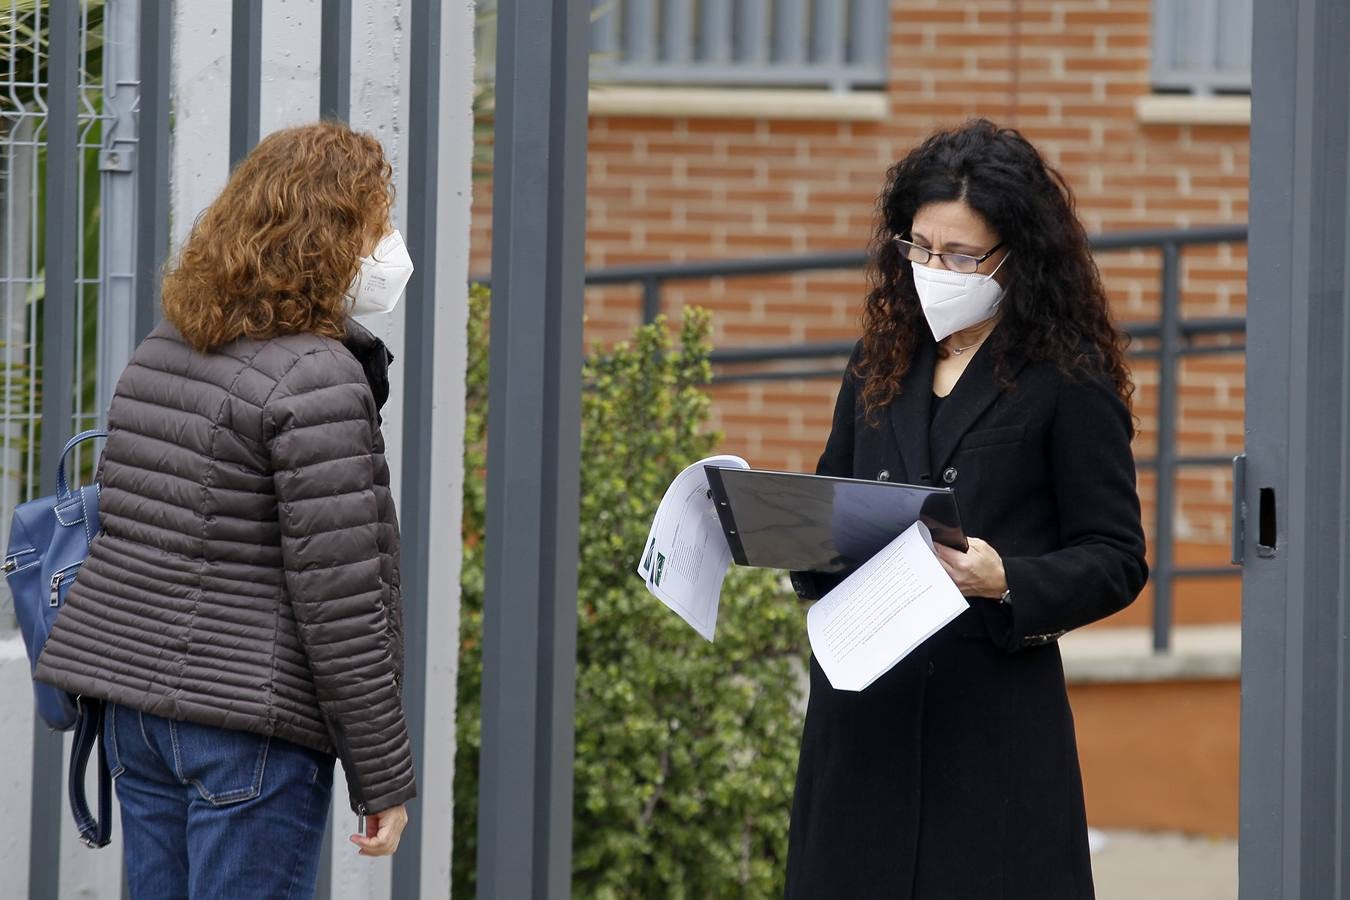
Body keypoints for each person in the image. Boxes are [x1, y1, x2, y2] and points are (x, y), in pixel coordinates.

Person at [36, 121, 416, 898]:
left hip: (138, 715)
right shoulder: (315, 378)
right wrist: (382, 779)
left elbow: (127, 528)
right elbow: (342, 603)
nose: (388, 248)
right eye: (377, 225)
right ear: (329, 237)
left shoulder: (166, 346)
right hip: (249, 732)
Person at [785, 119, 1148, 899]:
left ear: (1018, 257)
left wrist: (1005, 577)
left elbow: (1116, 557)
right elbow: (831, 509)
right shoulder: (881, 358)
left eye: (959, 256)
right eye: (917, 248)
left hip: (988, 735)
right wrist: (776, 532)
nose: (932, 270)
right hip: (862, 723)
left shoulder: (1065, 378)